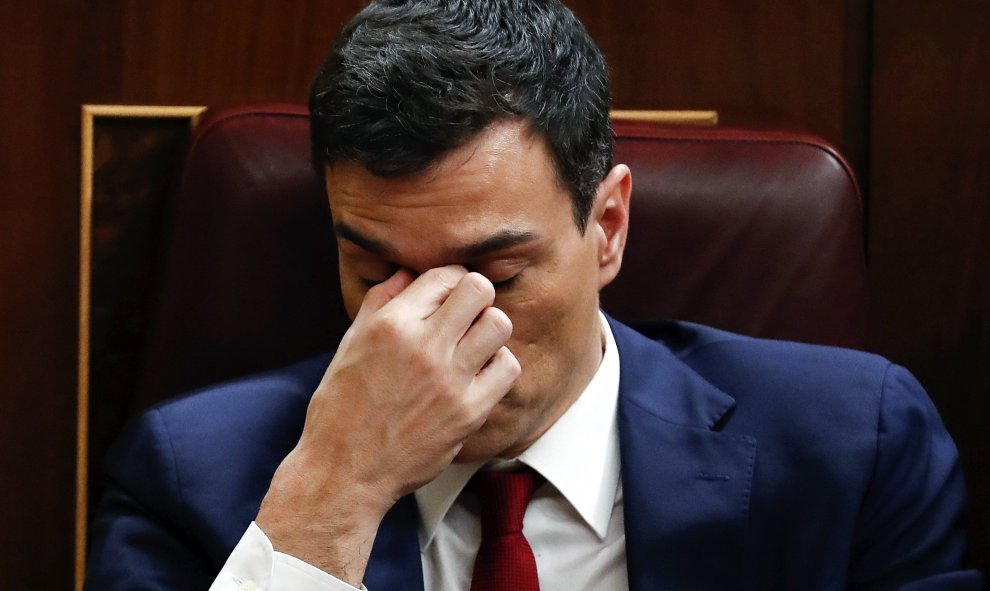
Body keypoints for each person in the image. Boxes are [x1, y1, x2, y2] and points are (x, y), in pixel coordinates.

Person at [85, 1, 983, 589]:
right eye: (375, 270)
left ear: (609, 227)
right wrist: (334, 495)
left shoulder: (854, 445)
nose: (431, 327)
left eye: (498, 274)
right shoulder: (187, 478)